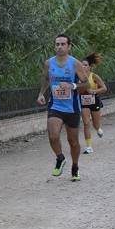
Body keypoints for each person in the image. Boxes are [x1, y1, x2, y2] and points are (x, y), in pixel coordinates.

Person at [37, 34, 90, 181]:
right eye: (57, 44)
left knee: (73, 141)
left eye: (62, 44)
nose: (59, 47)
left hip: (72, 107)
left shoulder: (75, 64)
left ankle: (75, 167)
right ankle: (60, 158)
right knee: (53, 136)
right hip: (55, 106)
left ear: (69, 46)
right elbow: (46, 78)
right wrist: (41, 93)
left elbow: (86, 84)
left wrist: (72, 85)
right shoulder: (49, 63)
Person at [78, 55, 108, 153]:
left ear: (89, 67)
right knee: (86, 123)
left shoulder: (94, 76)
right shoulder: (77, 76)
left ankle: (98, 129)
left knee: (96, 125)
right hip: (83, 102)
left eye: (85, 65)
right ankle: (89, 147)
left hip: (94, 100)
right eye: (81, 65)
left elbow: (104, 88)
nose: (83, 67)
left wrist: (94, 91)